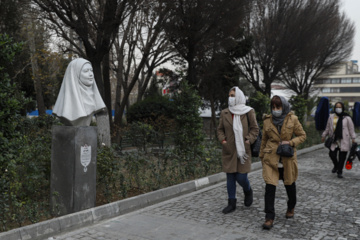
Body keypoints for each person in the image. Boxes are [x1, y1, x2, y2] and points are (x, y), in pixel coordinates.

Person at [259, 95, 306, 229]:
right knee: (269, 188)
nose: (275, 110)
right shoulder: (267, 121)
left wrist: (291, 142)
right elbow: (263, 140)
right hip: (271, 158)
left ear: (283, 106)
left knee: (290, 186)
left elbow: (302, 135)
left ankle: (291, 207)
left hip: (287, 158)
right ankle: (269, 217)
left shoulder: (293, 119)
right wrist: (262, 156)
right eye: (273, 107)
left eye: (278, 107)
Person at [217, 87, 259, 214]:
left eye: (233, 95)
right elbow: (219, 130)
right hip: (229, 149)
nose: (230, 97)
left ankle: (248, 190)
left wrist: (248, 139)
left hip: (243, 151)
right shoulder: (225, 112)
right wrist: (223, 140)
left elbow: (255, 129)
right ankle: (231, 203)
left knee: (241, 177)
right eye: (229, 95)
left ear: (239, 96)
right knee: (230, 177)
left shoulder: (248, 111)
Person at [53, 58, 106, 126]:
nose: (91, 74)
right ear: (75, 74)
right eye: (86, 71)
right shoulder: (66, 102)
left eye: (91, 70)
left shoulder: (95, 100)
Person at [321, 102, 356, 178]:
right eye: (337, 107)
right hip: (334, 140)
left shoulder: (347, 118)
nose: (338, 108)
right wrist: (323, 135)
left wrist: (353, 138)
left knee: (342, 157)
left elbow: (351, 129)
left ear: (342, 108)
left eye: (340, 107)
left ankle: (339, 171)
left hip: (344, 139)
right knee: (332, 154)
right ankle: (336, 166)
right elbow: (327, 128)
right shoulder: (331, 117)